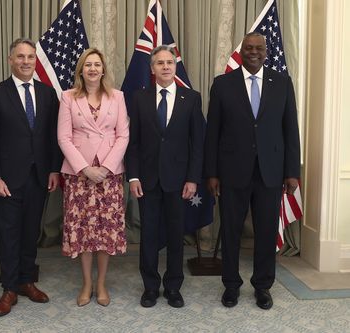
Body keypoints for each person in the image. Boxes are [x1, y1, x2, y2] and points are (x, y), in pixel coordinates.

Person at [204, 32, 301, 310]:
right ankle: (231, 286)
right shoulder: (223, 84)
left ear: (266, 52)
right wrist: (211, 172)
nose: (254, 52)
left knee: (266, 231)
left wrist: (292, 171)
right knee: (231, 231)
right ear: (241, 51)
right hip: (232, 171)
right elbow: (213, 132)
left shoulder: (282, 83)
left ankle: (263, 286)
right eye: (249, 48)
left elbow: (290, 130)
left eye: (259, 48)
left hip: (270, 172)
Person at [0, 38, 62, 317]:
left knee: (30, 232)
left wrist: (53, 169)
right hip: (7, 179)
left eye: (30, 57)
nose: (26, 62)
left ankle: (27, 281)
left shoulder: (48, 94)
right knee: (8, 234)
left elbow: (52, 137)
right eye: (20, 57)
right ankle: (9, 287)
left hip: (38, 176)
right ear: (10, 60)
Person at [125, 45, 204, 308]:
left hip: (179, 181)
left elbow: (197, 143)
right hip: (147, 180)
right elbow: (133, 142)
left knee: (175, 235)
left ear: (175, 66)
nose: (166, 67)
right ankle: (149, 287)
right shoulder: (139, 98)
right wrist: (133, 177)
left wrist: (193, 178)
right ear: (152, 69)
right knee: (148, 234)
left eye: (170, 62)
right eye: (160, 63)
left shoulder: (191, 98)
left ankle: (173, 287)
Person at [57, 48, 129, 307]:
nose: (93, 69)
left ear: (103, 69)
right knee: (85, 232)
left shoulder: (117, 97)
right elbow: (63, 137)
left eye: (97, 64)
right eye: (88, 65)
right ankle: (87, 282)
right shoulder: (68, 97)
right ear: (81, 70)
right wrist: (85, 168)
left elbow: (123, 135)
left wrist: (107, 167)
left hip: (109, 176)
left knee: (104, 232)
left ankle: (101, 284)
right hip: (80, 176)